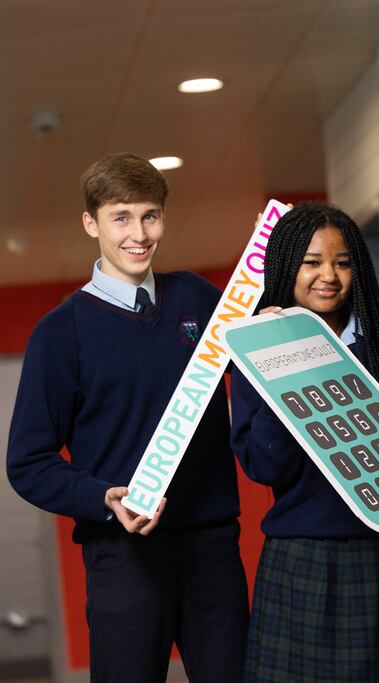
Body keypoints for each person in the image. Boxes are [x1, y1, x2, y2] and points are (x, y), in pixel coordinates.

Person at [6, 153, 248, 682]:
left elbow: (263, 378)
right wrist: (102, 497)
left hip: (212, 548)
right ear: (91, 223)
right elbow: (28, 462)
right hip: (123, 556)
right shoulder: (60, 333)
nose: (138, 233)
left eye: (150, 215)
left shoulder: (199, 299)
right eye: (121, 217)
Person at [230, 202, 379, 683]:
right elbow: (264, 466)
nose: (329, 276)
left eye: (342, 263)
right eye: (312, 262)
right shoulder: (258, 348)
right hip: (305, 562)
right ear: (285, 267)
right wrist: (287, 357)